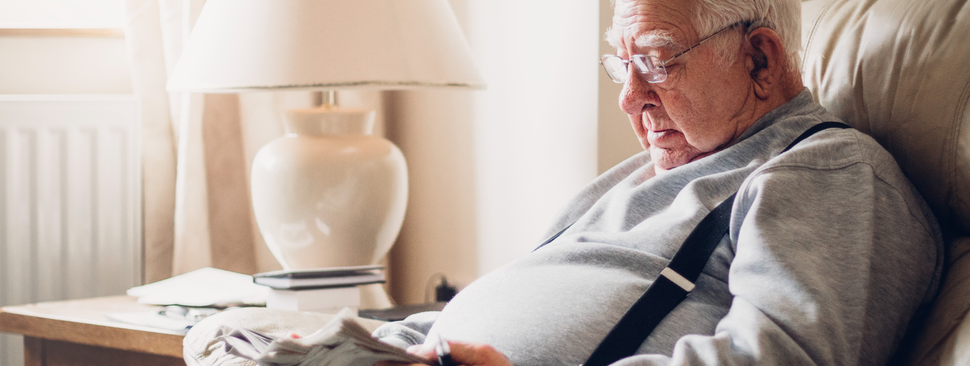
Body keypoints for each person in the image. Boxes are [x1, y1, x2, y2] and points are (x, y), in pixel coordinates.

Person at [373, 0, 943, 364]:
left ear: (760, 61)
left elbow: (775, 358)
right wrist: (380, 347)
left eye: (656, 62)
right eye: (623, 65)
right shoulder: (642, 172)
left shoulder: (824, 172)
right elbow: (499, 304)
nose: (629, 98)